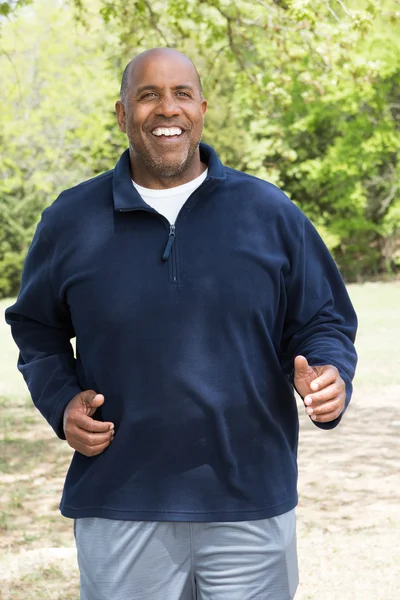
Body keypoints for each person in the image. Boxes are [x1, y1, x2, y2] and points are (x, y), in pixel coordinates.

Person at [5, 47, 357, 600]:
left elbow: (323, 318)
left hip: (249, 501)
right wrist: (61, 401)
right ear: (122, 114)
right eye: (147, 95)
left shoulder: (269, 213)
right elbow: (35, 328)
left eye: (181, 94)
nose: (166, 109)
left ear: (201, 109)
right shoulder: (70, 221)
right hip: (119, 500)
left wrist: (330, 372)